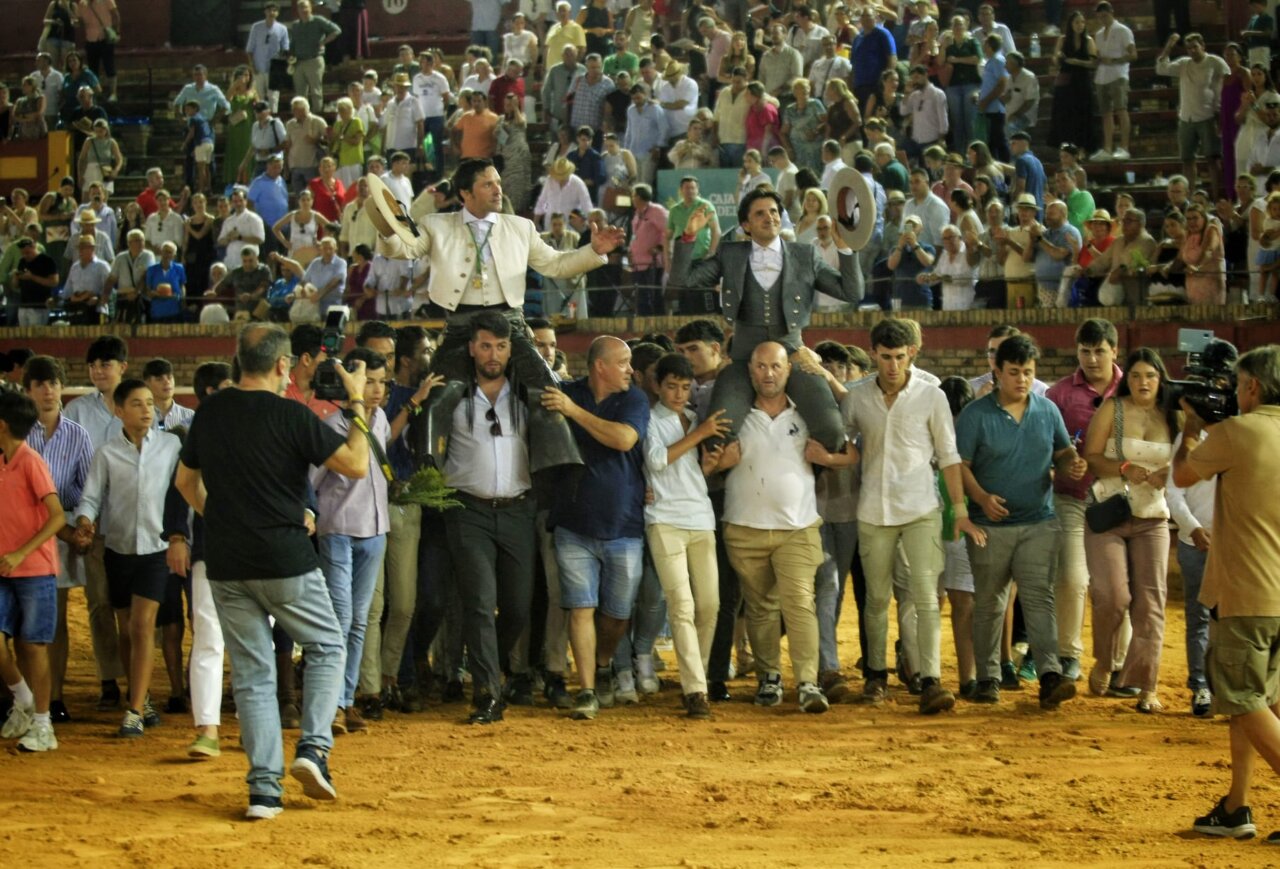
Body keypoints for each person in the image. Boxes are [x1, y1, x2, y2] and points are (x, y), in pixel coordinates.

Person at [176, 323, 369, 820]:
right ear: (283, 365)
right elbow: (355, 463)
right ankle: (314, 749)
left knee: (252, 673)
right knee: (328, 646)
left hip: (226, 561)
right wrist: (357, 401)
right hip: (284, 558)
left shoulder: (210, 411)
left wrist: (218, 517)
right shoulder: (291, 414)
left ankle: (264, 791)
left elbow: (184, 482)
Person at [370, 158, 623, 469]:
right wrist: (387, 226)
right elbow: (403, 249)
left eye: (498, 183)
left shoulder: (521, 227)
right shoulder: (436, 224)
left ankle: (558, 473)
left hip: (510, 326)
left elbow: (556, 265)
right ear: (465, 193)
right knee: (435, 399)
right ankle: (428, 478)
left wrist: (594, 251)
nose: (497, 189)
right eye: (487, 184)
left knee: (549, 392)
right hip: (460, 328)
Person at [841, 318, 983, 712]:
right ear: (873, 354)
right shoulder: (856, 398)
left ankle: (931, 679)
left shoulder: (931, 395)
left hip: (921, 509)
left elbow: (949, 456)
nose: (892, 365)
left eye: (899, 357)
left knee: (925, 597)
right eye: (885, 357)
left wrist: (959, 510)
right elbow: (842, 440)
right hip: (873, 509)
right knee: (875, 598)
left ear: (912, 354)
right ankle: (875, 675)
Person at [1171, 345, 1280, 839]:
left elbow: (1181, 475)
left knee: (1241, 698)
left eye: (1238, 385)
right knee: (1259, 700)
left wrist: (1191, 428)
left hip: (1247, 590)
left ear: (1253, 385)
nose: (1235, 393)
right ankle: (1237, 806)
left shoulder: (1238, 431)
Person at [710, 340, 847, 714]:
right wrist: (722, 463)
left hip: (798, 527)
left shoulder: (807, 416)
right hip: (744, 528)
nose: (768, 374)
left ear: (788, 370)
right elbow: (704, 466)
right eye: (760, 366)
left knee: (799, 602)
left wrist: (827, 457)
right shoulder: (734, 417)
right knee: (760, 608)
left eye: (775, 366)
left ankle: (807, 682)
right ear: (749, 370)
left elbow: (850, 451)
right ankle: (769, 677)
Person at [669, 188, 862, 450]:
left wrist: (845, 248)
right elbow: (683, 280)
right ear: (746, 225)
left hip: (793, 354)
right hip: (744, 357)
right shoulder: (730, 254)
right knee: (719, 434)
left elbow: (851, 292)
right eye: (760, 213)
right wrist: (688, 236)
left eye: (773, 211)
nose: (769, 217)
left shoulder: (805, 254)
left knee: (831, 430)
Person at [956, 334, 1085, 709]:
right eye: (1014, 372)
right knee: (990, 603)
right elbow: (959, 466)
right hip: (989, 525)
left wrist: (1071, 464)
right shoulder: (976, 415)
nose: (1022, 379)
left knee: (1039, 598)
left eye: (1028, 372)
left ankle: (1049, 674)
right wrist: (981, 497)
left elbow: (1063, 452)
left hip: (1038, 521)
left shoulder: (1047, 410)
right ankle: (988, 677)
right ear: (997, 372)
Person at [539, 337, 648, 721]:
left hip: (624, 525)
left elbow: (623, 439)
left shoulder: (633, 399)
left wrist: (573, 412)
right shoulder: (566, 392)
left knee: (617, 614)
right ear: (600, 366)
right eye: (623, 362)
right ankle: (586, 689)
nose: (630, 370)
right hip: (573, 522)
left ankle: (603, 664)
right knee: (580, 608)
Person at [438, 312, 539, 725]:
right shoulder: (451, 395)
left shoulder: (530, 395)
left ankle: (487, 665)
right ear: (471, 348)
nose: (493, 354)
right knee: (480, 603)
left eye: (500, 346)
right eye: (485, 346)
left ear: (511, 349)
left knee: (517, 606)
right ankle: (487, 694)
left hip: (518, 510)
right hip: (468, 511)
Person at [74, 378, 182, 739]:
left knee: (141, 626)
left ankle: (133, 711)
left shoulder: (171, 446)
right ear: (119, 410)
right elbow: (91, 497)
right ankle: (143, 696)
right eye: (137, 403)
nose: (147, 409)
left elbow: (182, 493)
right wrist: (85, 522)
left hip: (157, 549)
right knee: (125, 628)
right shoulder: (106, 453)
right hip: (118, 550)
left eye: (150, 403)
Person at [1084, 348, 1178, 713]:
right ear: (1128, 379)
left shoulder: (1174, 414)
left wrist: (1169, 474)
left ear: (1160, 379)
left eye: (1150, 376)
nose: (1143, 382)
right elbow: (1091, 456)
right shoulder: (1113, 408)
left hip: (1153, 516)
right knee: (1112, 595)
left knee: (1151, 603)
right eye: (1136, 376)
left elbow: (1189, 459)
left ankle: (1146, 687)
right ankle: (1105, 659)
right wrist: (1123, 467)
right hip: (1111, 512)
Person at [643, 353, 726, 718]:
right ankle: (695, 690)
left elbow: (691, 470)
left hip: (700, 517)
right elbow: (657, 460)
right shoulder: (650, 419)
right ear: (657, 386)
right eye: (671, 386)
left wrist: (709, 464)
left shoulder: (694, 419)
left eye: (684, 386)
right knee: (683, 606)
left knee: (709, 606)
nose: (678, 394)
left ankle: (698, 676)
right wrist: (700, 434)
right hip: (664, 519)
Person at [22, 357, 93, 726]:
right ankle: (25, 697)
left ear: (62, 387)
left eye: (53, 383)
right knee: (24, 620)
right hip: (20, 530)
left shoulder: (78, 435)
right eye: (40, 384)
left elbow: (86, 490)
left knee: (55, 619)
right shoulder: (16, 432)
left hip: (60, 531)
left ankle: (55, 697)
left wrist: (81, 525)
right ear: (28, 390)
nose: (48, 390)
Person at [0, 390, 66, 753]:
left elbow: (57, 516)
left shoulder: (30, 461)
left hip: (35, 569)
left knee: (34, 646)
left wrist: (20, 552)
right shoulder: (4, 460)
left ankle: (43, 725)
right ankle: (24, 699)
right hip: (5, 569)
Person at [1158, 33, 1230, 201]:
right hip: (1186, 117)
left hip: (1208, 115)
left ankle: (1217, 197)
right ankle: (1188, 198)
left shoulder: (1215, 62)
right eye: (1189, 48)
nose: (1192, 51)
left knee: (1213, 159)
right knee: (1187, 160)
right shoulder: (1184, 63)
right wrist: (1169, 46)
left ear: (1202, 46)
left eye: (1195, 47)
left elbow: (1228, 78)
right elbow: (1161, 68)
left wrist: (1220, 110)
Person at [289, 0, 341, 113]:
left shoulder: (318, 20)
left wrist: (323, 42)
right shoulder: (296, 25)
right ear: (298, 10)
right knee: (300, 93)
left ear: (310, 8)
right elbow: (293, 43)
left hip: (314, 59)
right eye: (301, 8)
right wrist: (290, 57)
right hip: (299, 62)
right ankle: (302, 116)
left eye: (305, 7)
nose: (303, 10)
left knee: (315, 91)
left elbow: (336, 30)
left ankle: (317, 114)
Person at [245, 3, 289, 113]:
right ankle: (259, 118)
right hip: (258, 67)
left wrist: (280, 66)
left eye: (274, 10)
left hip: (274, 68)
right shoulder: (256, 27)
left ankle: (273, 117)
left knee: (273, 97)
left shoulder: (282, 29)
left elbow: (285, 48)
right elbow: (249, 49)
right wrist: (252, 66)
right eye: (269, 10)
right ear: (265, 12)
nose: (271, 13)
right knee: (258, 96)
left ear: (278, 13)